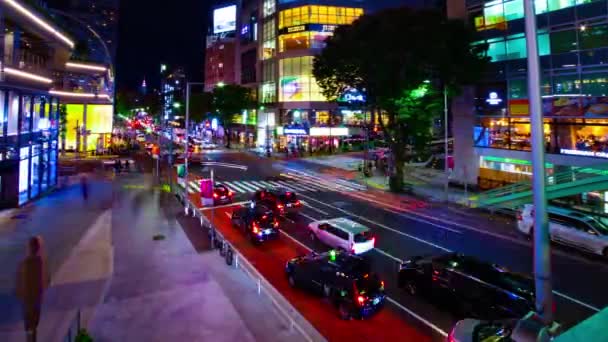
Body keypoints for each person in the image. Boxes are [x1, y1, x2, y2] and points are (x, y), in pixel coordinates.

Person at [16, 236, 49, 342]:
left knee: (30, 327)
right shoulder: (40, 262)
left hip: (28, 302)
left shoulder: (24, 263)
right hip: (35, 301)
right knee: (33, 327)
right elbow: (47, 280)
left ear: (29, 247)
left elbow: (19, 286)